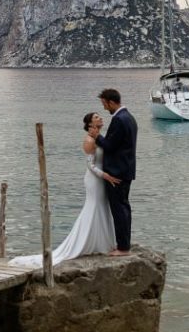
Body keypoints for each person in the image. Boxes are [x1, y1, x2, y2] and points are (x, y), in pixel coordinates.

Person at [9, 112, 120, 268]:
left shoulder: (100, 138)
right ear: (90, 124)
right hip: (95, 178)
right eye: (96, 117)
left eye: (100, 116)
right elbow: (90, 164)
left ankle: (102, 243)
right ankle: (85, 242)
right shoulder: (89, 140)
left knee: (103, 207)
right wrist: (105, 176)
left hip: (103, 178)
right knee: (94, 206)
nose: (100, 118)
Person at [88, 88, 138, 256]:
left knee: (119, 210)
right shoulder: (129, 117)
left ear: (111, 102)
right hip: (126, 170)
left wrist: (97, 136)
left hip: (117, 172)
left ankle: (123, 248)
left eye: (104, 104)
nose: (104, 108)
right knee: (124, 208)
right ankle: (125, 244)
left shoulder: (119, 120)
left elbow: (110, 146)